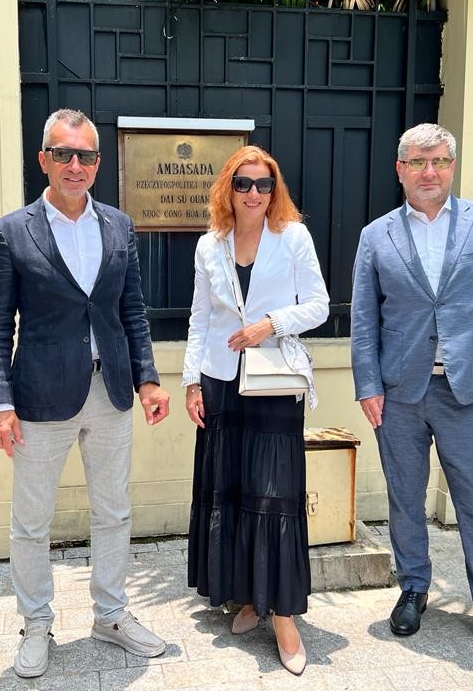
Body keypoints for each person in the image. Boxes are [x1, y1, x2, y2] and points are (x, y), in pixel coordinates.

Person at [0, 108, 171, 678]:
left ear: (97, 163)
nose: (74, 165)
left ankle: (110, 614)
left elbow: (131, 311)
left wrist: (148, 379)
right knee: (31, 521)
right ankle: (36, 624)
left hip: (110, 391)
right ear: (44, 159)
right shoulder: (12, 231)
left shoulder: (118, 226)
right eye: (63, 153)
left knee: (113, 511)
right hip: (39, 398)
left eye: (85, 155)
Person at [350, 123, 473, 667]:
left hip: (467, 391)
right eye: (417, 162)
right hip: (399, 394)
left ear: (451, 166)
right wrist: (368, 385)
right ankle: (413, 588)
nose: (428, 172)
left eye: (438, 161)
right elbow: (363, 318)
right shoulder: (376, 235)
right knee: (405, 499)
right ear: (400, 169)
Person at [182, 145, 329, 676]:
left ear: (274, 190)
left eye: (263, 184)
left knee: (274, 496)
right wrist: (191, 382)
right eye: (243, 183)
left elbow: (319, 305)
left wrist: (271, 323)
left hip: (273, 382)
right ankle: (248, 597)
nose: (253, 193)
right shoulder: (210, 244)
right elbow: (200, 318)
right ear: (228, 187)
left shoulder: (293, 237)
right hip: (221, 382)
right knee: (234, 491)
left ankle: (283, 616)